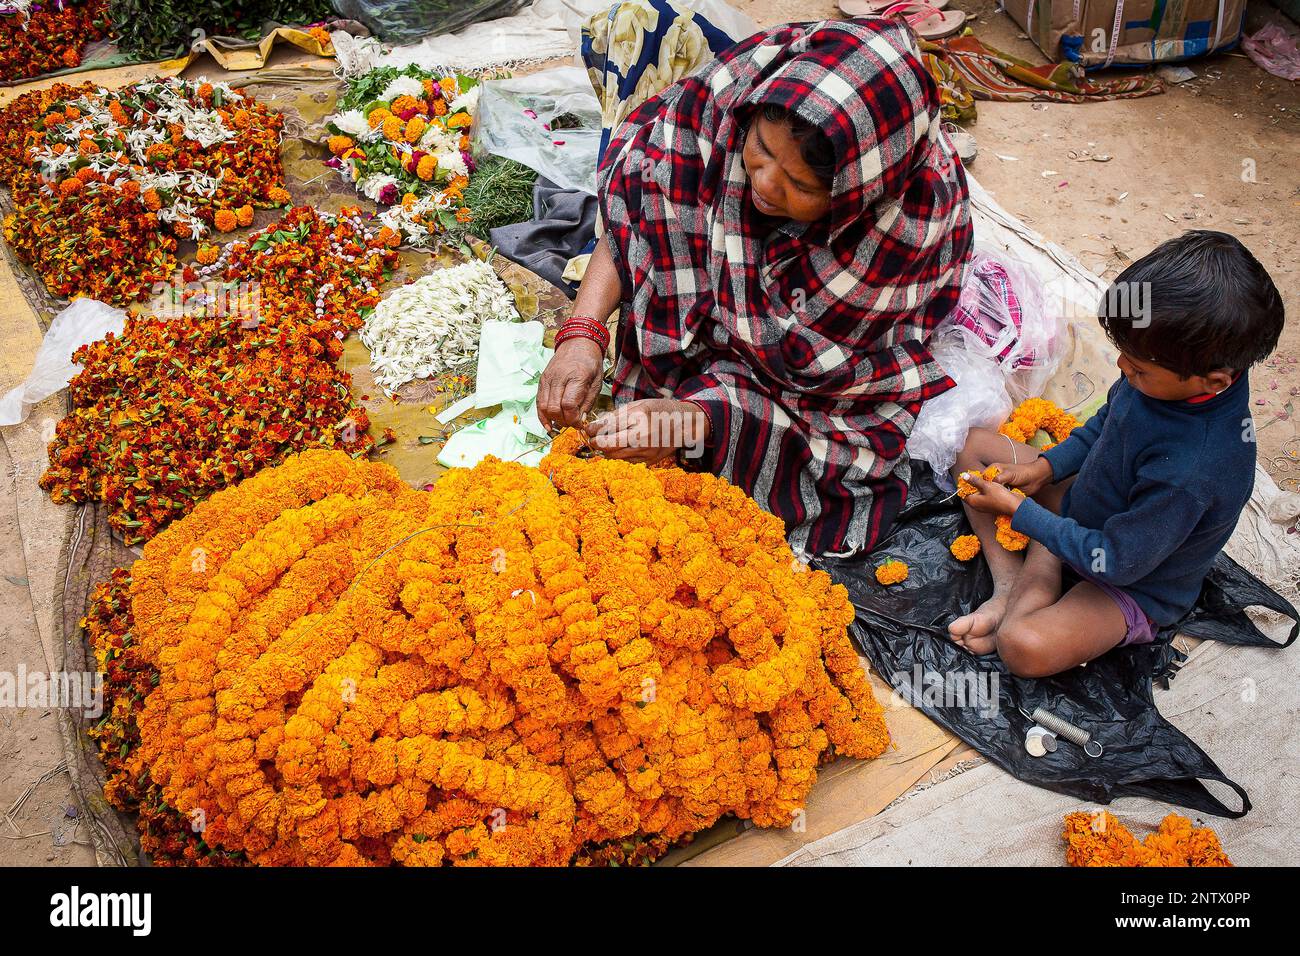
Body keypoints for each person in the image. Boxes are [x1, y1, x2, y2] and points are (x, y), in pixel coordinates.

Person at [535, 10, 972, 557]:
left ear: (855, 191)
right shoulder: (721, 107)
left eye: (799, 185)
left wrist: (693, 420)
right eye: (761, 150)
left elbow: (829, 397)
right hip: (711, 319)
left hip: (809, 394)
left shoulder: (897, 234)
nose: (763, 184)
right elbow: (637, 215)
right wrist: (582, 333)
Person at [950, 230, 1285, 677]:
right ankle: (1012, 584)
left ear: (1215, 380)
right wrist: (1043, 468)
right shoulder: (1169, 373)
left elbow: (1119, 562)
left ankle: (1041, 563)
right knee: (972, 447)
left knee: (1023, 646)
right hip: (1090, 507)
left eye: (1139, 368)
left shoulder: (1193, 469)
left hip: (1132, 578)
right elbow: (1105, 426)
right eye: (1124, 354)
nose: (1123, 368)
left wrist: (1024, 515)